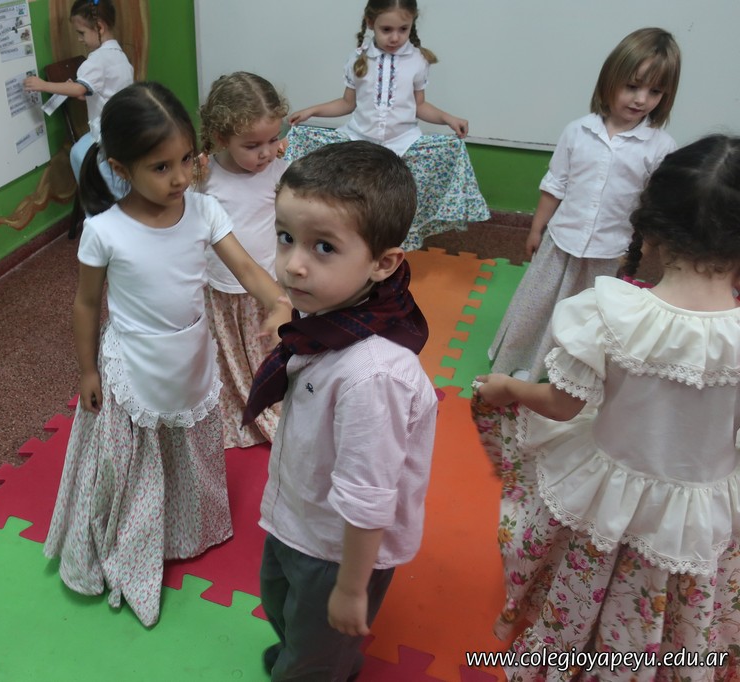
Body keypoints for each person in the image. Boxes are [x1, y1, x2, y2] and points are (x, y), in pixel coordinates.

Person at [473, 135, 740, 681]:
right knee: (675, 591)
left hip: (608, 492)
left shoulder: (610, 311)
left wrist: (510, 389)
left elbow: (561, 405)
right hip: (701, 507)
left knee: (589, 577)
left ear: (652, 227)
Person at [42, 81, 292, 627]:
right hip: (133, 368)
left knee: (188, 451)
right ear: (121, 168)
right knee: (133, 466)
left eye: (186, 160)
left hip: (190, 357)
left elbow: (247, 268)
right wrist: (87, 370)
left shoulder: (204, 211)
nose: (180, 177)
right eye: (161, 167)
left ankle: (187, 531)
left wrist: (278, 301)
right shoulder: (104, 231)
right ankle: (132, 552)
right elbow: (86, 305)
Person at [244, 141, 438, 681]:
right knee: (282, 607)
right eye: (286, 237)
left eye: (324, 247)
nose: (293, 264)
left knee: (317, 651)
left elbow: (368, 495)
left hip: (336, 549)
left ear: (383, 263)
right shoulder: (327, 321)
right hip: (296, 516)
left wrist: (352, 589)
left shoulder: (372, 376)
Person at [489, 27, 680, 381]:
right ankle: (520, 362)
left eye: (654, 91)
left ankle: (563, 376)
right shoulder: (578, 131)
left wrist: (640, 251)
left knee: (586, 318)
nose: (641, 99)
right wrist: (536, 229)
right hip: (561, 241)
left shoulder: (660, 146)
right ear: (610, 81)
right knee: (538, 306)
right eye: (632, 86)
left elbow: (654, 208)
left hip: (609, 252)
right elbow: (555, 185)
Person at [286, 0, 489, 250]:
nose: (395, 37)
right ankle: (350, 241)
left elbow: (419, 106)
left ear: (412, 25)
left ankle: (393, 245)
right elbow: (347, 103)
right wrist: (312, 111)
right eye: (387, 30)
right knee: (354, 197)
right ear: (371, 23)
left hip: (402, 142)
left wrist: (449, 118)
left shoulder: (418, 60)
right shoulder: (357, 59)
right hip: (358, 139)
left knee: (397, 198)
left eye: (403, 29)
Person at [196, 72, 290, 448]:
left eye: (273, 139)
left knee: (265, 347)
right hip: (221, 288)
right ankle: (236, 402)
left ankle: (269, 397)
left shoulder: (279, 172)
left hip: (268, 285)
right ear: (222, 138)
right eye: (252, 145)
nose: (265, 152)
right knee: (229, 353)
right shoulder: (205, 177)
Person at [23, 0, 133, 185]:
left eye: (81, 33)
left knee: (78, 154)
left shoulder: (97, 59)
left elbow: (78, 88)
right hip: (128, 126)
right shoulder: (119, 55)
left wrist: (43, 85)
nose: (80, 39)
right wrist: (85, 93)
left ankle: (101, 196)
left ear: (99, 27)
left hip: (107, 134)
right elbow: (107, 89)